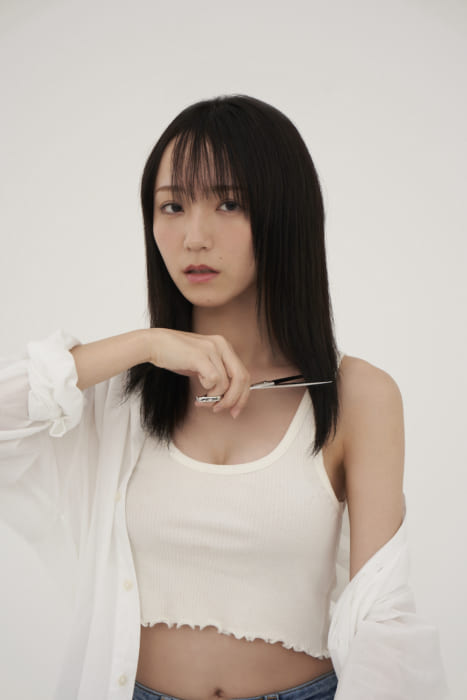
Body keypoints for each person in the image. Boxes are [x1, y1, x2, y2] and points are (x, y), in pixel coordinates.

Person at [0, 95, 448, 700]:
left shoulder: (358, 397)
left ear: (284, 214)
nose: (194, 237)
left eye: (229, 203)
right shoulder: (120, 391)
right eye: (172, 206)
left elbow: (383, 620)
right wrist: (146, 343)